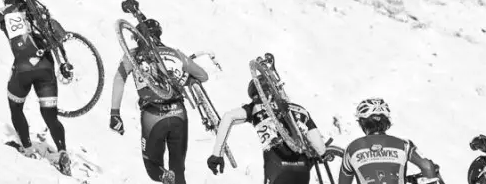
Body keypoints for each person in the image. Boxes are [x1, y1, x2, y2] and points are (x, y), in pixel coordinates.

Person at [0, 0, 72, 176]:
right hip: (46, 67)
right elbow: (61, 35)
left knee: (15, 106)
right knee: (50, 116)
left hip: (23, 67)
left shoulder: (6, 10)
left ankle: (27, 148)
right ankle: (62, 151)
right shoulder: (39, 11)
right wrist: (63, 63)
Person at [110, 16, 208, 184]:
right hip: (178, 113)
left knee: (153, 167)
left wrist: (115, 113)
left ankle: (165, 177)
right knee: (178, 169)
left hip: (152, 114)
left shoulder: (133, 54)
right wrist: (184, 77)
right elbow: (203, 76)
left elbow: (119, 78)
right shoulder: (176, 53)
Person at [207, 78, 343, 184]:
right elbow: (320, 148)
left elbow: (228, 117)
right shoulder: (299, 109)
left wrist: (217, 154)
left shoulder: (255, 108)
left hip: (276, 167)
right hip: (302, 169)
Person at [337, 99, 442, 184]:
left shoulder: (352, 148)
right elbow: (427, 166)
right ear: (386, 121)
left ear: (362, 123)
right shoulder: (404, 145)